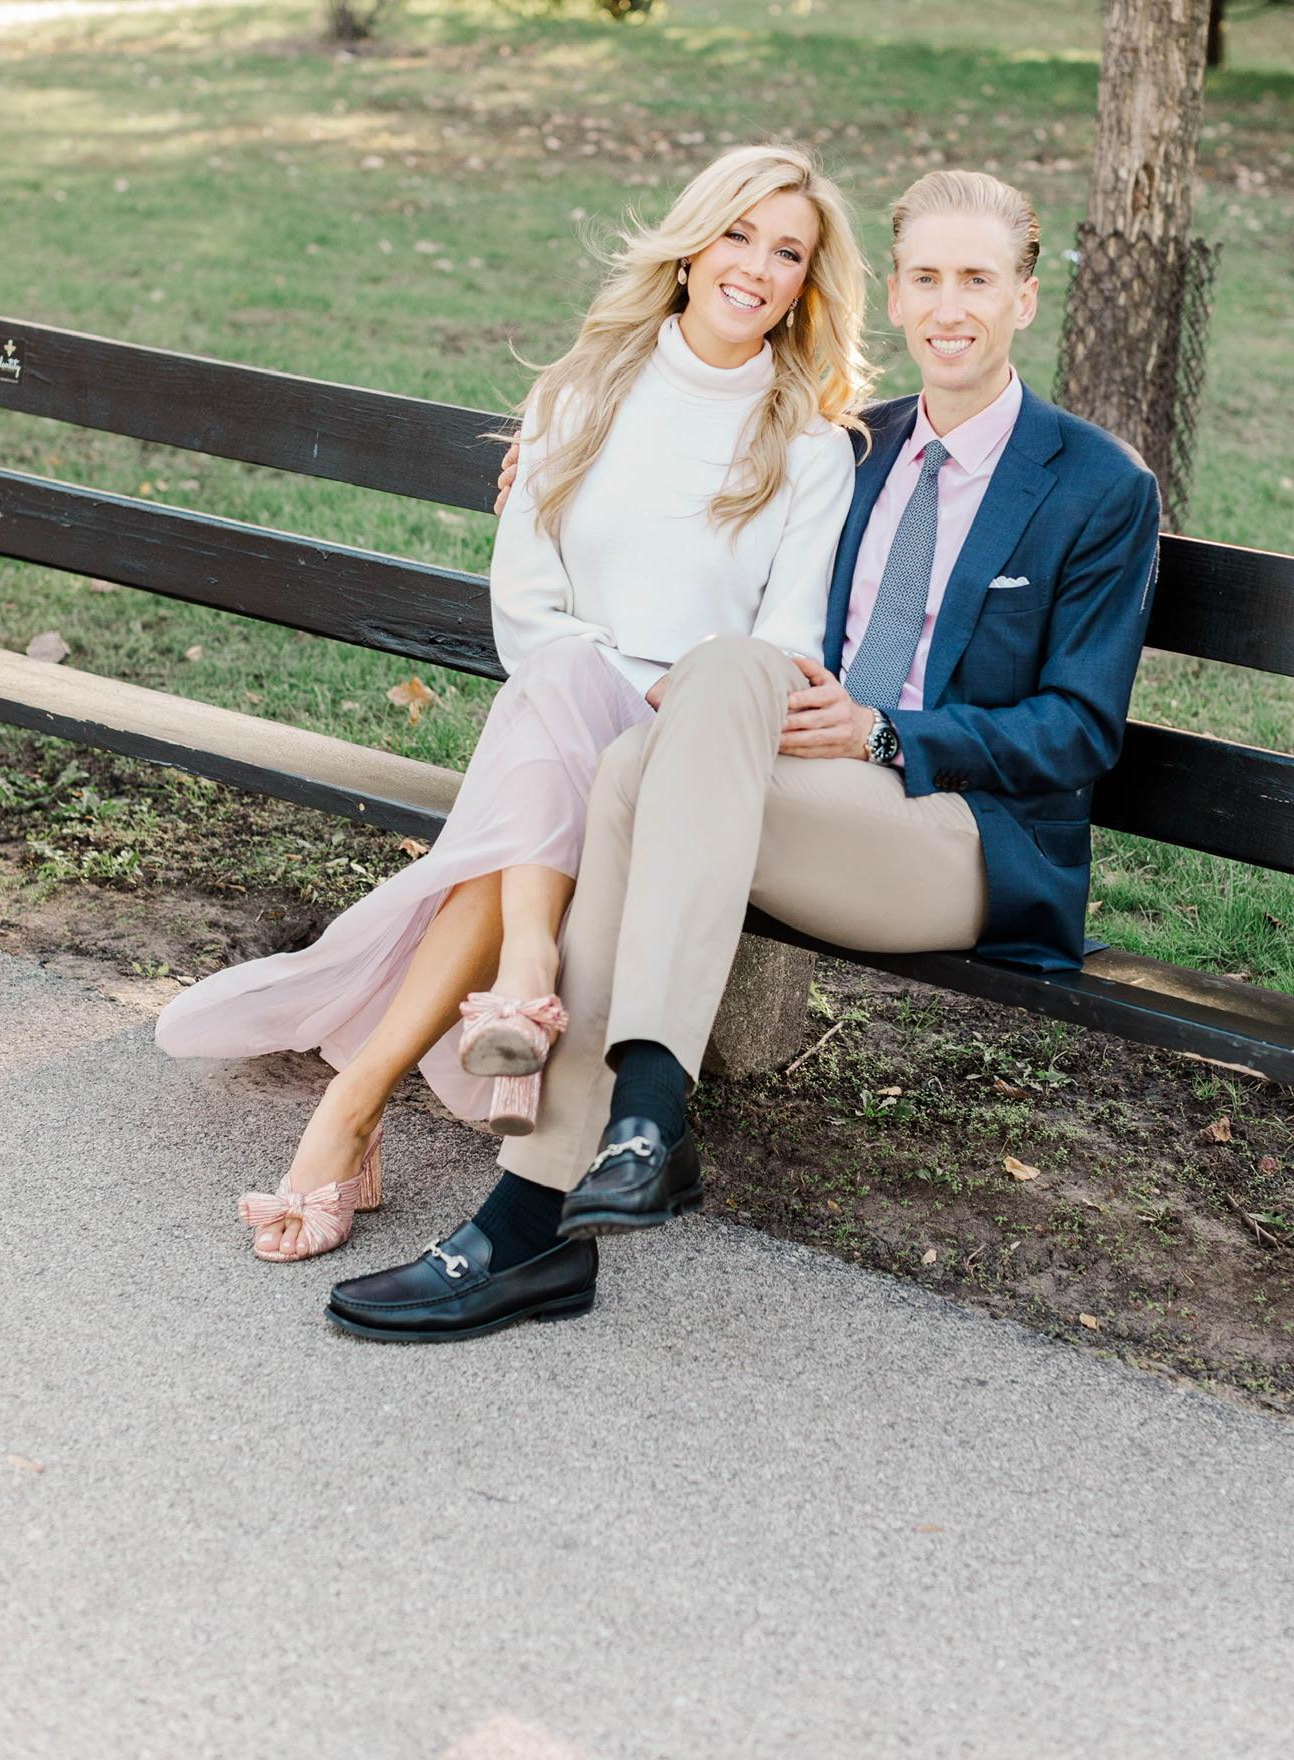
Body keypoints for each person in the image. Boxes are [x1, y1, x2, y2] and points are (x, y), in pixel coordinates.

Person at [324, 169, 1162, 1342]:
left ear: (1024, 297)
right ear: (897, 297)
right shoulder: (842, 450)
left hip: (961, 834)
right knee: (644, 755)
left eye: (978, 279)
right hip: (798, 798)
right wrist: (558, 452)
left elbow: (1080, 733)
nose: (950, 307)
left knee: (648, 765)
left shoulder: (1095, 486)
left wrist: (886, 732)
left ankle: (554, 1201)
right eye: (926, 278)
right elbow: (685, 484)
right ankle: (624, 1141)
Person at [154, 146, 872, 1261]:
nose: (758, 268)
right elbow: (527, 601)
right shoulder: (581, 396)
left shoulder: (811, 448)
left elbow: (787, 642)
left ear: (805, 287)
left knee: (543, 738)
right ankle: (492, 1001)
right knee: (555, 687)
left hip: (686, 754)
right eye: (739, 236)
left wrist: (658, 690)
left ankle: (363, 1101)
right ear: (689, 249)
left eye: (788, 253)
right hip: (562, 703)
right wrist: (613, 674)